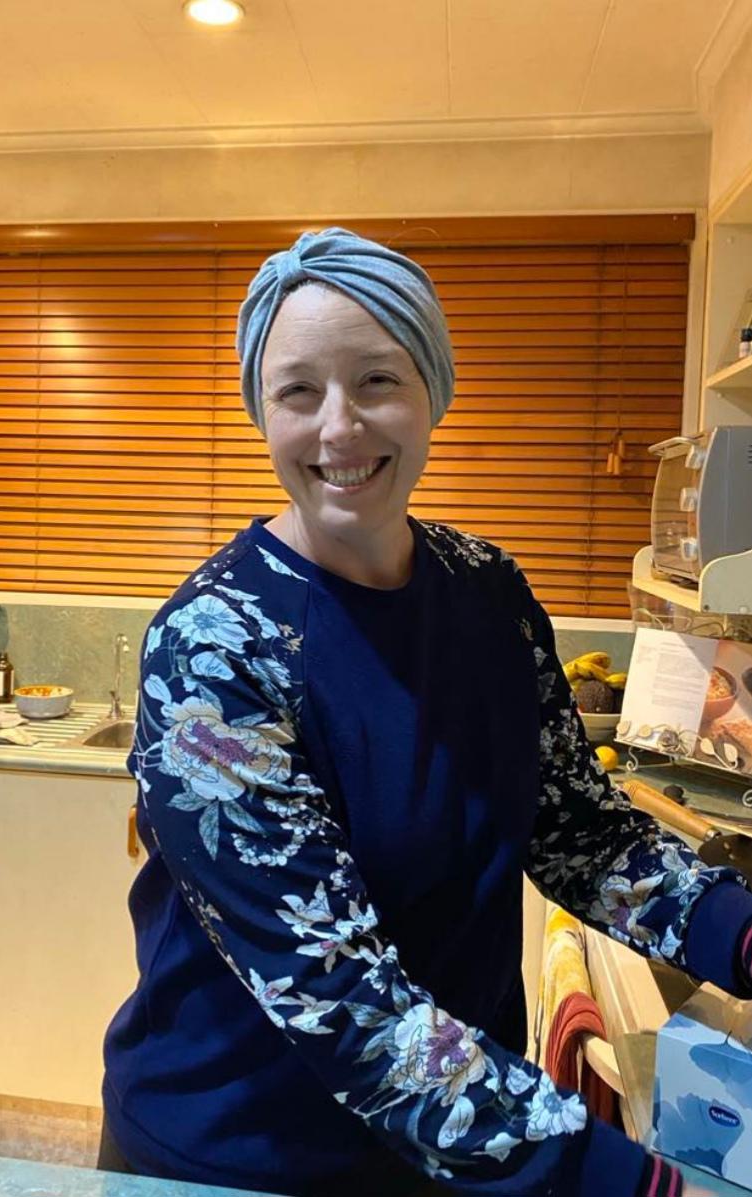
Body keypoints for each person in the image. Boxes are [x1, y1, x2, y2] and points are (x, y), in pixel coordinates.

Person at [101, 228, 746, 1196]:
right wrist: (629, 1183)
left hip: (455, 1146)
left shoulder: (486, 594)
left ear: (431, 391)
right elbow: (343, 1002)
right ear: (260, 412)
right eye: (297, 392)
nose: (338, 428)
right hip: (234, 1160)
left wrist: (739, 934)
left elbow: (583, 836)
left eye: (375, 380)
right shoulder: (215, 647)